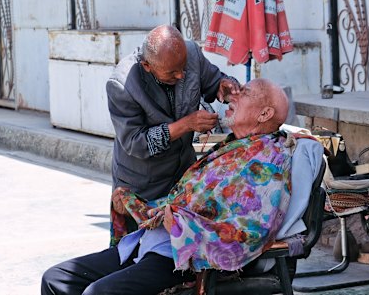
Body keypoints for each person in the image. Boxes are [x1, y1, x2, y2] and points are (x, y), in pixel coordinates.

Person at [42, 78, 298, 295]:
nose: (234, 94)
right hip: (150, 241)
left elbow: (251, 231)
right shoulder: (232, 146)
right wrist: (136, 207)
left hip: (182, 258)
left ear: (264, 114)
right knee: (55, 280)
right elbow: (185, 201)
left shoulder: (269, 161)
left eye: (245, 93)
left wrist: (182, 226)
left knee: (98, 293)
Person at [106, 24, 241, 205]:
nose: (180, 75)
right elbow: (136, 142)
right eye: (172, 72)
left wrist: (222, 85)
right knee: (144, 233)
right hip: (143, 184)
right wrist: (186, 124)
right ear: (147, 66)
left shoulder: (191, 53)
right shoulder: (122, 85)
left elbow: (213, 81)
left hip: (183, 176)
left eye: (183, 68)